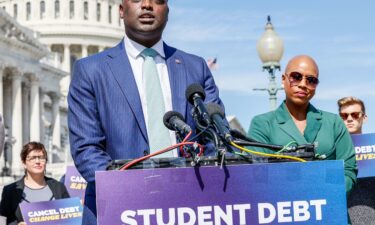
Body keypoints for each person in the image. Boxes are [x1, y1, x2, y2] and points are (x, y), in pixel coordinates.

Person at [67, 0, 225, 224]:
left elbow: (214, 138)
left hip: (191, 207)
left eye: (157, 0)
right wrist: (137, 194)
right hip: (119, 209)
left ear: (167, 11)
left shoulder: (195, 67)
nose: (148, 5)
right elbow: (86, 148)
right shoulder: (90, 71)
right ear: (121, 10)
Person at [248, 55, 357, 194]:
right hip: (284, 210)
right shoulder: (262, 125)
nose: (303, 84)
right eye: (296, 76)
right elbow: (257, 176)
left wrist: (324, 195)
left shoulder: (333, 123)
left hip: (330, 209)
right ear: (284, 79)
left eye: (311, 80)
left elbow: (348, 172)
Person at [0, 142, 70, 225]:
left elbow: (70, 218)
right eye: (33, 158)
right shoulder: (10, 191)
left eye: (41, 157)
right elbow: (3, 221)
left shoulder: (59, 187)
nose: (37, 161)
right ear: (24, 163)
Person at [338, 97, 374, 225]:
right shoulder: (331, 152)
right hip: (343, 217)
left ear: (364, 118)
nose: (349, 119)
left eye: (354, 114)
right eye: (343, 115)